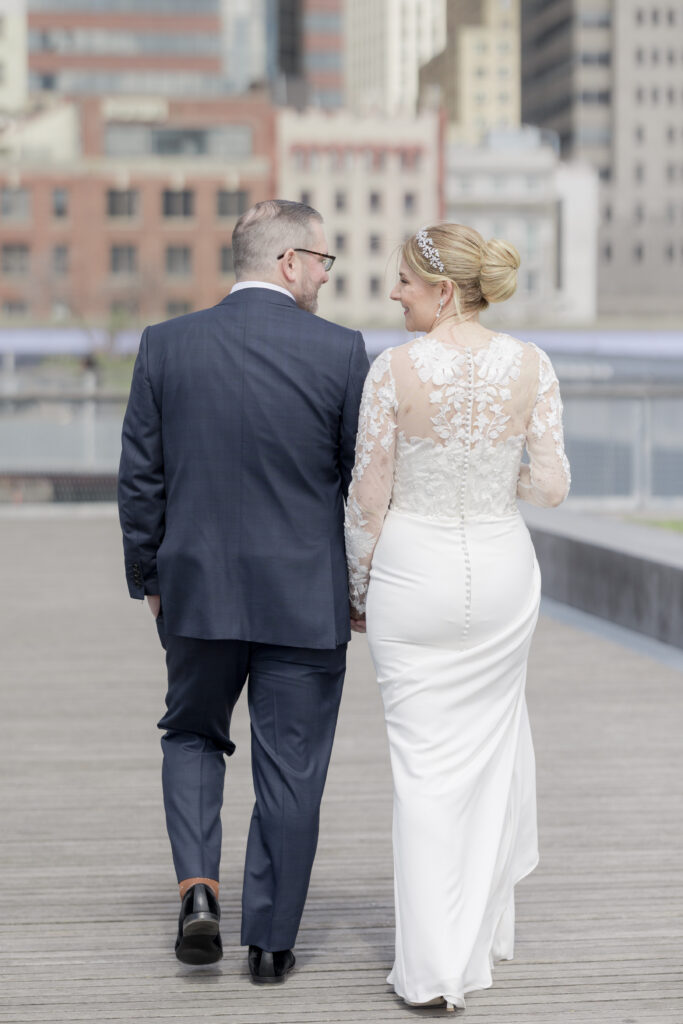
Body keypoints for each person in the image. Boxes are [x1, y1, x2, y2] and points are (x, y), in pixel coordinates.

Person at [118, 200, 369, 981]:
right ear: (290, 261)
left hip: (199, 591)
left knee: (192, 735)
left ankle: (198, 892)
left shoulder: (165, 346)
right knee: (290, 766)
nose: (326, 276)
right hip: (305, 596)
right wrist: (357, 590)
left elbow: (140, 479)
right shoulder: (340, 352)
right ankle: (270, 943)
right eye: (324, 261)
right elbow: (363, 486)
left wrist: (151, 579)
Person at [344, 224, 570, 1011]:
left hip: (414, 573)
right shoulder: (532, 365)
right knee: (486, 758)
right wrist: (486, 468)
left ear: (444, 291)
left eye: (404, 279)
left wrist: (357, 589)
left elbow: (370, 495)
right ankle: (470, 945)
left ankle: (432, 968)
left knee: (423, 772)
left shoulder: (393, 370)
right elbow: (549, 486)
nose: (393, 291)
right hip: (503, 572)